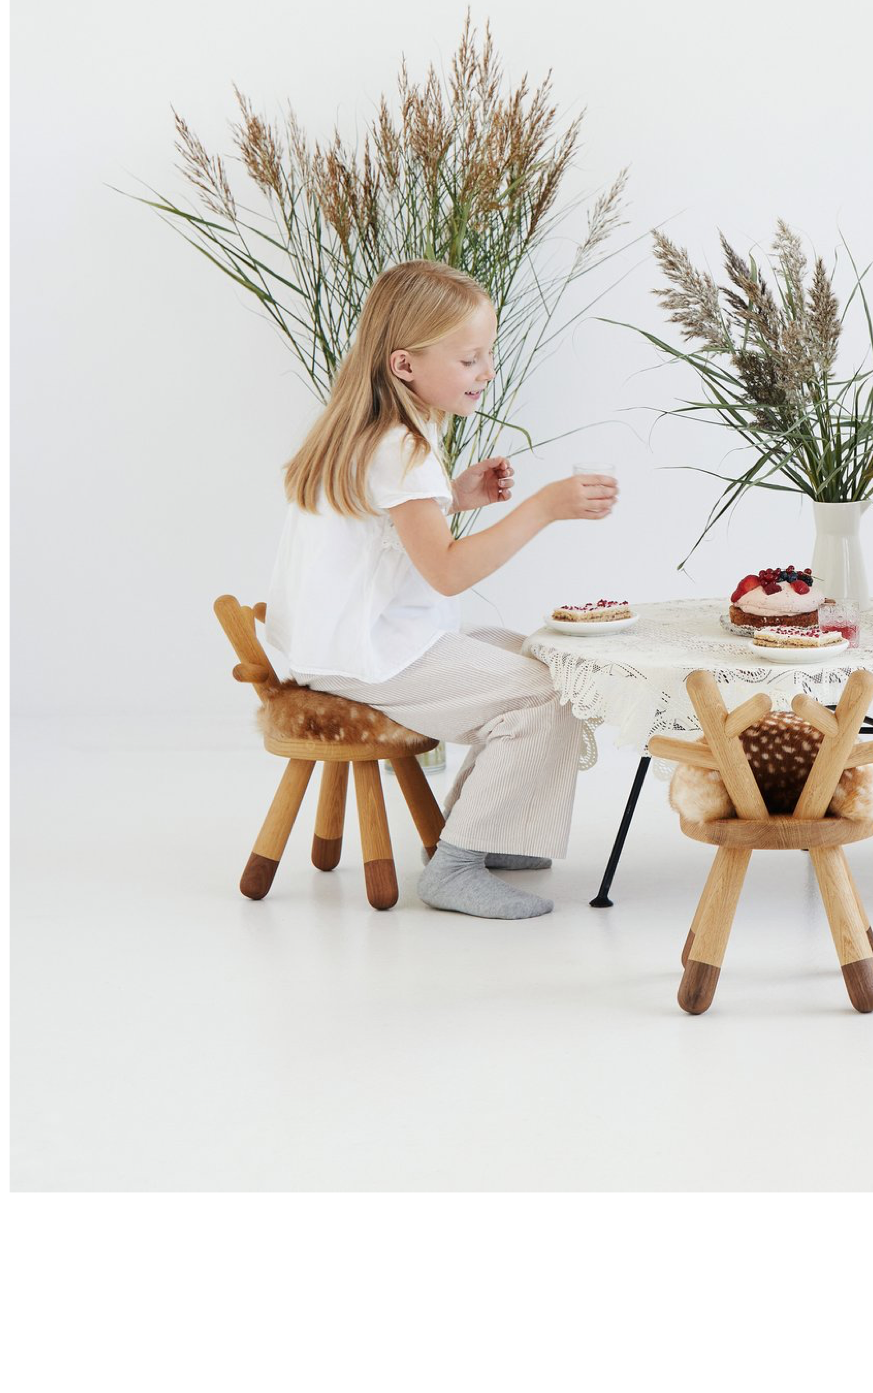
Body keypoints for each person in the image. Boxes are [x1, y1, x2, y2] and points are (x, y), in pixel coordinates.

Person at [262, 260, 616, 919]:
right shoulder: (404, 450)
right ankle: (456, 864)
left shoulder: (370, 433)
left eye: (487, 355)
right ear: (405, 365)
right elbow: (447, 571)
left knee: (538, 657)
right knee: (546, 690)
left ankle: (492, 827)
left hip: (338, 643)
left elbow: (379, 529)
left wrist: (452, 497)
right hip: (366, 657)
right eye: (469, 358)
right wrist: (542, 508)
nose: (487, 371)